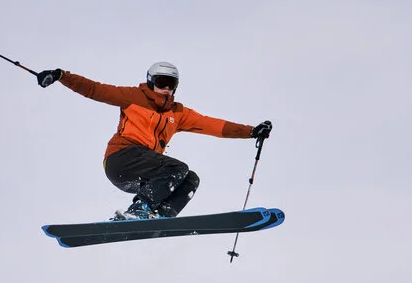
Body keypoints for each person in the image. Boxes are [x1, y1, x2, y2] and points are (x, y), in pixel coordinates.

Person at [34, 62, 272, 220]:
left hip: (143, 172)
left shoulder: (178, 114)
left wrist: (251, 131)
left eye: (171, 85)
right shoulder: (133, 97)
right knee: (177, 168)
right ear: (150, 82)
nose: (166, 89)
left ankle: (160, 215)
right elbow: (94, 89)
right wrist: (60, 76)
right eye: (161, 83)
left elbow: (214, 125)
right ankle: (139, 209)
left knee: (190, 179)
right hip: (120, 159)